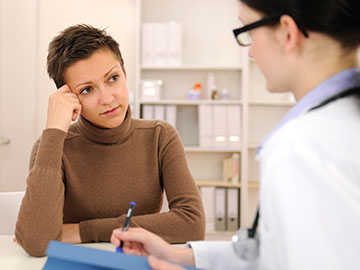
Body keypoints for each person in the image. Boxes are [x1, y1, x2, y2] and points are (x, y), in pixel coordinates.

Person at [111, 0, 360, 269]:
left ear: (288, 33)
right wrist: (179, 256)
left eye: (249, 33)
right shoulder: (336, 127)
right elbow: (284, 253)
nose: (251, 52)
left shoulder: (303, 148)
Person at [15, 24, 205, 257]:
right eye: (87, 90)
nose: (107, 99)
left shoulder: (159, 136)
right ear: (68, 98)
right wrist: (54, 130)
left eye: (112, 78)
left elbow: (192, 224)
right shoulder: (54, 147)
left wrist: (84, 230)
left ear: (125, 74)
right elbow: (36, 242)